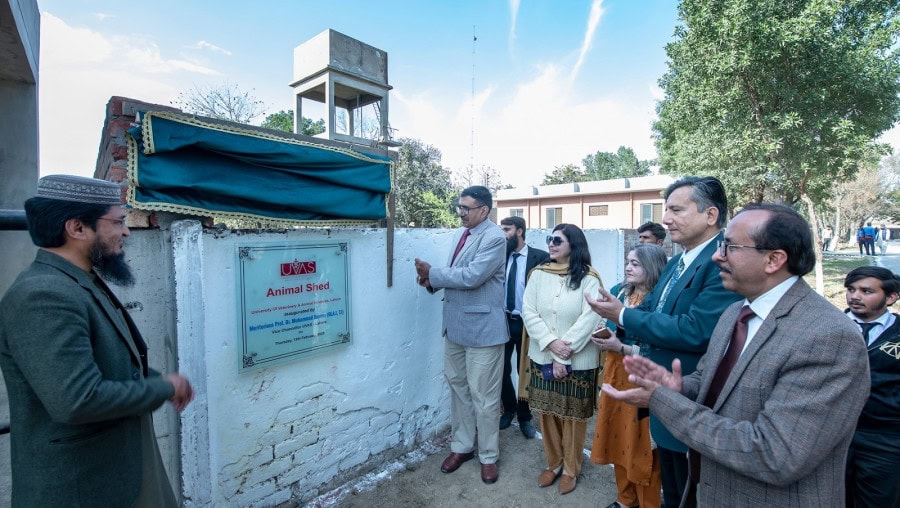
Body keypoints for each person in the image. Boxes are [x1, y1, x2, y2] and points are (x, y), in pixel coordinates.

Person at [602, 203, 871, 506]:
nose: (717, 256)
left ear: (773, 260)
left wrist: (663, 400)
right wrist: (679, 387)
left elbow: (774, 454)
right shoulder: (735, 312)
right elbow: (711, 380)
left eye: (730, 247)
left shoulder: (828, 338)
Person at [0, 175, 194, 507]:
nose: (126, 232)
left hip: (119, 471)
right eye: (118, 222)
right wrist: (164, 387)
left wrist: (155, 379)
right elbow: (78, 400)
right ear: (77, 228)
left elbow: (112, 361)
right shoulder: (43, 294)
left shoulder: (76, 281)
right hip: (83, 486)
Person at [585, 175, 741, 507]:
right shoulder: (677, 261)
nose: (666, 219)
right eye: (665, 210)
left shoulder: (721, 261)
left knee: (689, 492)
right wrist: (619, 322)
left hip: (692, 399)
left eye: (676, 210)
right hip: (664, 400)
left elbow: (696, 330)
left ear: (710, 215)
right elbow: (653, 308)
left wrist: (622, 315)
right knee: (671, 489)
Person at [414, 185, 507, 484]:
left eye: (466, 208)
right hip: (455, 328)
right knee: (458, 389)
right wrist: (431, 281)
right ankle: (462, 446)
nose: (460, 213)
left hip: (483, 331)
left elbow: (472, 276)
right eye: (459, 207)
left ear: (484, 210)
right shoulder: (461, 234)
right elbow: (458, 274)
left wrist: (433, 273)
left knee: (485, 397)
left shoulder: (494, 237)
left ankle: (488, 456)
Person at [520, 223, 602, 495]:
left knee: (574, 417)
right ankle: (553, 463)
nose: (551, 244)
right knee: (547, 414)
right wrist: (552, 344)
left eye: (557, 240)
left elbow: (590, 318)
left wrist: (562, 353)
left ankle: (570, 469)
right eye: (549, 239)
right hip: (543, 354)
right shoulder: (538, 274)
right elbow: (528, 311)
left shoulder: (589, 278)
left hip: (578, 360)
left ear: (573, 245)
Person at [590, 243, 668, 508]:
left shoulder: (661, 301)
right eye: (627, 262)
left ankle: (648, 503)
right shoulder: (618, 292)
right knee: (617, 438)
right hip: (615, 373)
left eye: (635, 263)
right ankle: (625, 498)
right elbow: (610, 327)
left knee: (643, 446)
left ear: (652, 267)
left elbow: (658, 347)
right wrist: (603, 337)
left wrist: (621, 347)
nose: (628, 268)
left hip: (643, 377)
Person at [843, 266, 900, 507]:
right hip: (836, 435)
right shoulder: (829, 327)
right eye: (851, 289)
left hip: (885, 438)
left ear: (891, 297)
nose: (855, 296)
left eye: (866, 291)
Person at [498, 216, 549, 439]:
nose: (503, 234)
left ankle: (524, 417)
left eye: (506, 230)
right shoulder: (500, 256)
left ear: (519, 231)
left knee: (525, 371)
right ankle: (509, 409)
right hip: (502, 322)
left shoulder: (541, 258)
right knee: (501, 369)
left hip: (528, 325)